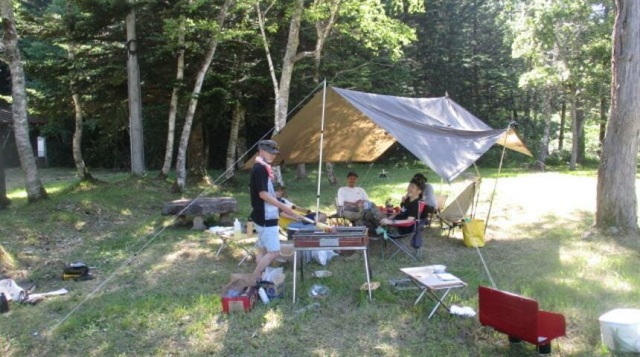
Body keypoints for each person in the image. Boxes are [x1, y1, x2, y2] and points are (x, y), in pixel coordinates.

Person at [249, 140, 296, 282]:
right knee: (274, 252)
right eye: (270, 153)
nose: (273, 156)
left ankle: (262, 276)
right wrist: (283, 207)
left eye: (275, 154)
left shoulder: (262, 167)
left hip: (262, 215)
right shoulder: (260, 169)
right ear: (261, 151)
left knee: (262, 249)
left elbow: (266, 193)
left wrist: (280, 200)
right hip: (265, 217)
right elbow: (263, 195)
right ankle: (254, 277)